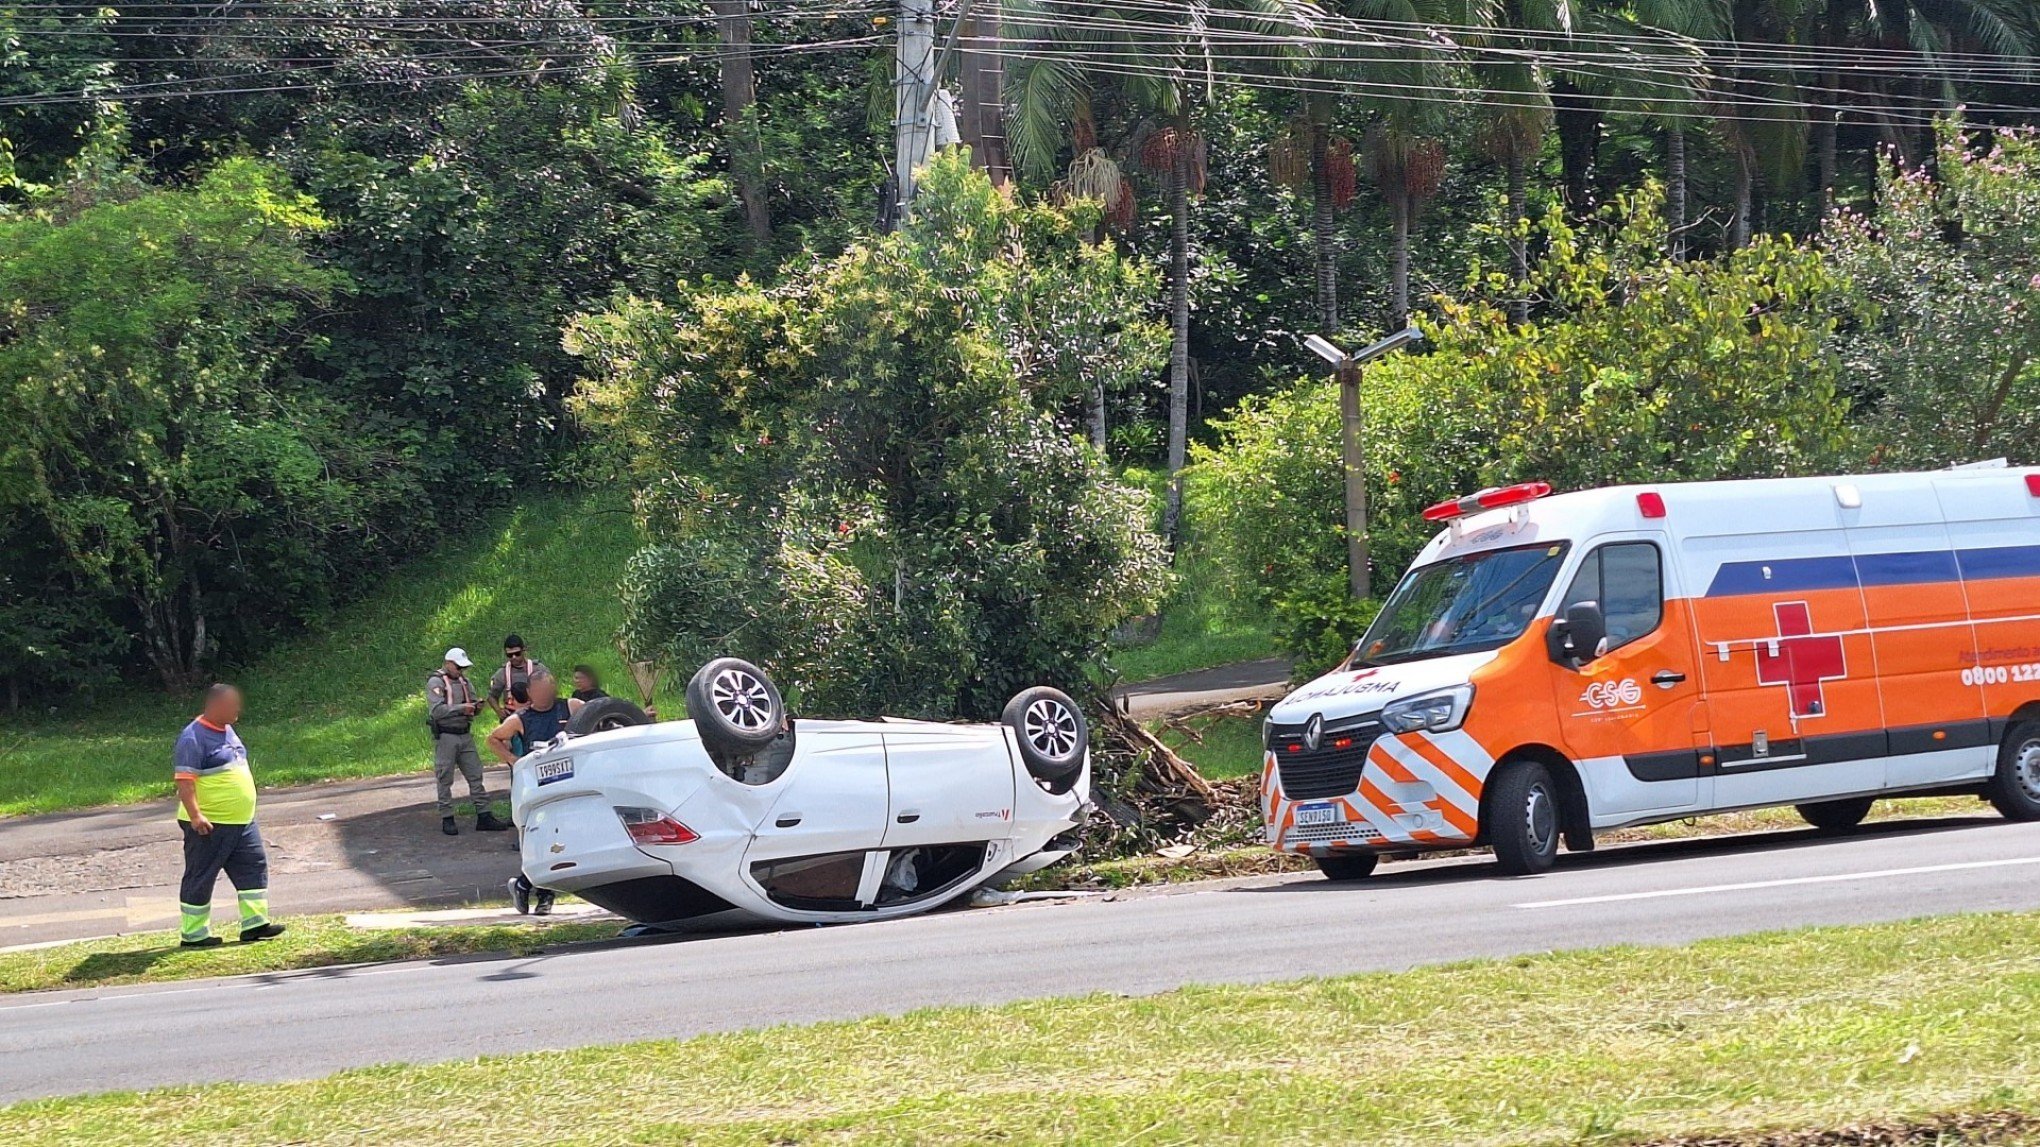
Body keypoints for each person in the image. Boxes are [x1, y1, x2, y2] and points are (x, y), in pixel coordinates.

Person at [174, 684, 287, 949]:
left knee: (253, 867)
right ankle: (194, 934)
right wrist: (196, 816)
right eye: (232, 705)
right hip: (210, 823)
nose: (238, 709)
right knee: (201, 875)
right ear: (215, 706)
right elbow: (185, 783)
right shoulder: (193, 737)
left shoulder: (227, 729)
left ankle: (254, 924)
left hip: (242, 821)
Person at [487, 672, 583, 915]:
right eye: (538, 690)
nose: (544, 694)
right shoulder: (521, 719)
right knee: (545, 843)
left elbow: (602, 714)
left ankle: (523, 884)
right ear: (530, 693)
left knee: (567, 841)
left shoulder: (570, 707)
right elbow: (493, 739)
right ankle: (541, 895)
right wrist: (514, 761)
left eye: (547, 688)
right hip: (539, 792)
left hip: (571, 785)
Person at [426, 647, 511, 837]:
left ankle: (484, 814)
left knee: (475, 774)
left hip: (465, 734)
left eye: (462, 668)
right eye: (458, 667)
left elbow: (472, 703)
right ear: (448, 663)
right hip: (446, 735)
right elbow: (436, 711)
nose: (460, 671)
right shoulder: (436, 682)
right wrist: (461, 709)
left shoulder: (465, 682)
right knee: (445, 776)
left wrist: (476, 707)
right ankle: (447, 817)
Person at [488, 634, 548, 720]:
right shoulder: (502, 673)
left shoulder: (538, 669)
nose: (514, 657)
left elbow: (550, 690)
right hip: (512, 717)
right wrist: (499, 711)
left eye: (517, 653)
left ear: (523, 651)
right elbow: (491, 696)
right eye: (510, 655)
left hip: (537, 716)